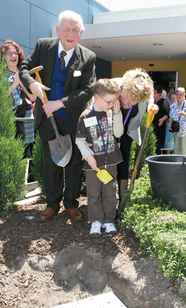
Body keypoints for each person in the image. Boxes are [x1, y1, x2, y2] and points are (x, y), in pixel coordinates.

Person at [19, 10, 96, 220]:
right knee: (51, 163)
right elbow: (24, 68)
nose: (70, 34)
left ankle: (71, 204)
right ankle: (52, 204)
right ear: (58, 30)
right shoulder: (44, 46)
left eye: (75, 30)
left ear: (80, 32)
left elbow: (87, 90)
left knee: (73, 163)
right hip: (46, 118)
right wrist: (32, 83)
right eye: (66, 29)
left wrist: (59, 103)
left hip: (72, 119)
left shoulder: (88, 57)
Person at [76, 79, 123, 236]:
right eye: (109, 101)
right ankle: (96, 220)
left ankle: (109, 220)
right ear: (96, 97)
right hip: (93, 163)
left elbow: (118, 134)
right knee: (94, 193)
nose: (111, 104)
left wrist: (117, 114)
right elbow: (80, 141)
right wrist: (89, 157)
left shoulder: (112, 113)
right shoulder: (85, 115)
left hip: (111, 161)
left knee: (110, 192)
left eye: (114, 101)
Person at [113, 68, 158, 202]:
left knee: (124, 161)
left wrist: (152, 105)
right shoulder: (112, 86)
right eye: (128, 98)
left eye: (135, 101)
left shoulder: (140, 92)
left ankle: (122, 199)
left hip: (128, 131)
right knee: (109, 162)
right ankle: (107, 198)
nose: (130, 103)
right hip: (109, 131)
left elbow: (149, 95)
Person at [0, 39, 35, 158]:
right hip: (11, 122)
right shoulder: (2, 74)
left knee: (26, 157)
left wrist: (23, 83)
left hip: (28, 122)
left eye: (15, 52)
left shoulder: (25, 73)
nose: (13, 56)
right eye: (9, 53)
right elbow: (2, 98)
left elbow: (33, 97)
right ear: (3, 56)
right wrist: (15, 83)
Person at [169, 87, 186, 155]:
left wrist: (184, 114)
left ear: (184, 95)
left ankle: (185, 165)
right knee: (177, 151)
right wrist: (170, 124)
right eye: (178, 94)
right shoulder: (173, 105)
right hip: (177, 131)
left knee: (185, 151)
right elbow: (171, 116)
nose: (179, 96)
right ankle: (178, 165)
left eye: (181, 94)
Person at [153, 85, 170, 154]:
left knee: (159, 143)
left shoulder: (163, 101)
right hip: (152, 124)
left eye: (155, 92)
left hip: (160, 125)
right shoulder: (151, 102)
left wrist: (163, 119)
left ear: (159, 93)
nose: (153, 94)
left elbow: (168, 113)